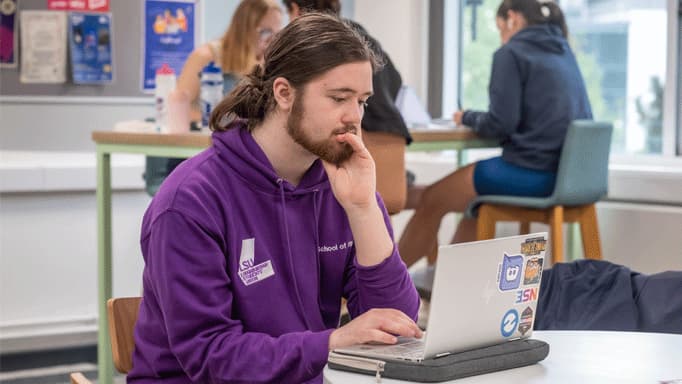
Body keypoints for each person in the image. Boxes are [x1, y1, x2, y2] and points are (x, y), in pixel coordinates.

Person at [128, 13, 422, 383]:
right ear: (284, 93)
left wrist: (363, 209)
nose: (354, 117)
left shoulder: (344, 187)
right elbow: (209, 356)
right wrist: (331, 343)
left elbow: (396, 326)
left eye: (362, 101)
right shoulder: (190, 201)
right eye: (338, 98)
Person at [398, 0, 593, 267]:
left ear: (512, 18)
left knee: (433, 199)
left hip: (533, 173)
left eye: (500, 29)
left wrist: (466, 116)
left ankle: (383, 292)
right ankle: (452, 286)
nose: (502, 38)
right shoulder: (563, 51)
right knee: (473, 207)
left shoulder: (511, 53)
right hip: (567, 176)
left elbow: (501, 124)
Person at [283, 0, 413, 215]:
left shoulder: (315, 45)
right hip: (393, 135)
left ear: (295, 9)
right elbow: (396, 81)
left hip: (362, 142)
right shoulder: (360, 38)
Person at [176, 0, 283, 122]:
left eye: (277, 34)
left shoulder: (265, 64)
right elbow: (177, 109)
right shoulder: (206, 56)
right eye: (265, 32)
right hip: (203, 137)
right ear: (244, 29)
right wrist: (224, 121)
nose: (271, 41)